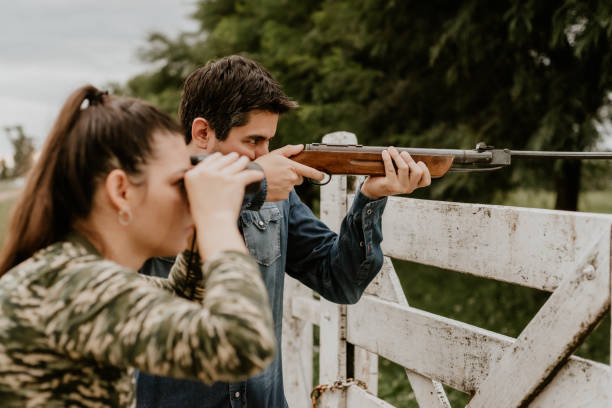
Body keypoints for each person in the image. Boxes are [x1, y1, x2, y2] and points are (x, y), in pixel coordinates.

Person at [137, 55, 431, 408]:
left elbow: (342, 281)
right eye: (253, 141)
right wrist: (255, 184)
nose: (265, 155)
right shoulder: (150, 195)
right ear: (202, 133)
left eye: (269, 142)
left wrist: (371, 196)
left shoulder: (278, 198)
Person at [0, 85, 277, 407]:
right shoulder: (74, 286)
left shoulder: (69, 275)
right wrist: (216, 217)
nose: (190, 195)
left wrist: (201, 232)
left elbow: (184, 302)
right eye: (179, 182)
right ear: (121, 190)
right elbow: (243, 345)